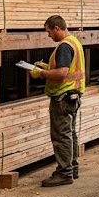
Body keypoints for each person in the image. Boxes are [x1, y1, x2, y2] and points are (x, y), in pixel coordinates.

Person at [30, 15, 86, 187]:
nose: (48, 35)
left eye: (49, 32)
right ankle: (72, 168)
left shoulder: (64, 46)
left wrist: (41, 73)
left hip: (62, 97)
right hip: (73, 95)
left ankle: (64, 173)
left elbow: (62, 73)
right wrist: (47, 67)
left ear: (56, 28)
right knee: (70, 134)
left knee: (61, 136)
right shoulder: (74, 42)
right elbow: (66, 68)